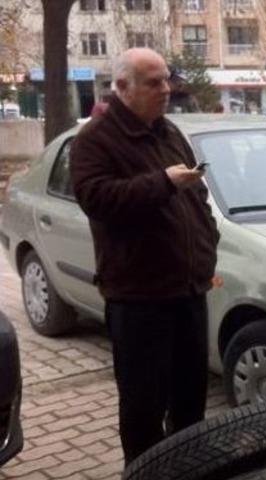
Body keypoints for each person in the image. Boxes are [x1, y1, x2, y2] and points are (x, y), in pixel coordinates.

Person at [69, 48, 220, 465]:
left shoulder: (168, 132)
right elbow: (97, 199)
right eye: (154, 83)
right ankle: (145, 473)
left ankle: (188, 470)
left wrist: (208, 239)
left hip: (189, 292)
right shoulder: (95, 140)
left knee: (190, 400)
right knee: (143, 408)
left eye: (166, 79)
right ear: (122, 87)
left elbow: (197, 193)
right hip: (139, 299)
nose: (166, 89)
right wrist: (163, 183)